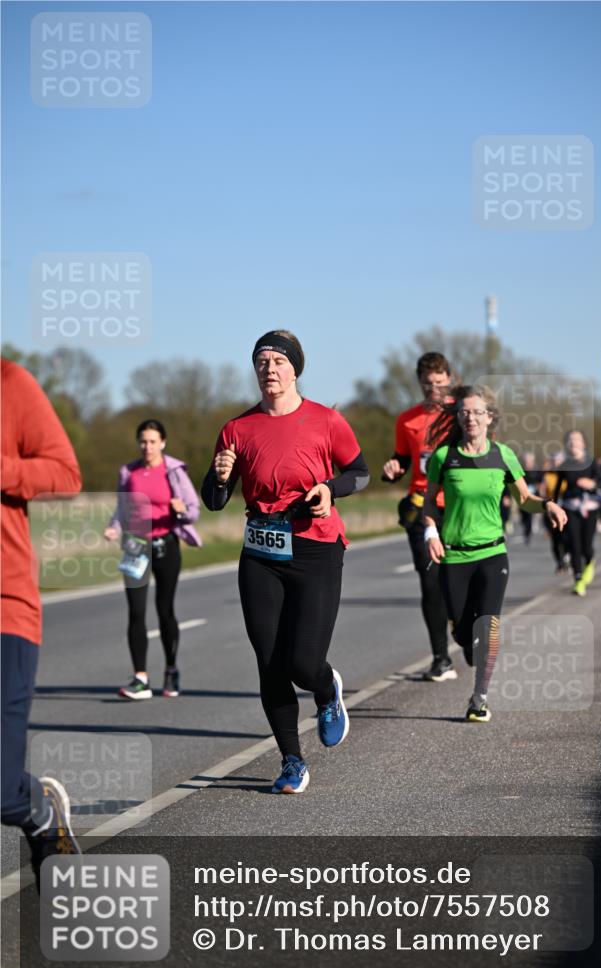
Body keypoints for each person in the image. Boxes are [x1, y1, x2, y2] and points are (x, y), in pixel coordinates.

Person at [201, 330, 369, 793]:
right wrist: (218, 477)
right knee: (270, 661)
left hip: (316, 546)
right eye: (261, 361)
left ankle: (325, 687)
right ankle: (292, 761)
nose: (269, 368)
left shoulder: (327, 421)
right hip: (261, 552)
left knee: (302, 660)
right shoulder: (237, 429)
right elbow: (214, 500)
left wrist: (328, 491)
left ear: (296, 368)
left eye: (278, 360)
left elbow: (360, 472)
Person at [424, 384, 567, 722]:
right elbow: (430, 502)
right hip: (454, 556)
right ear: (457, 418)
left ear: (489, 418)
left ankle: (479, 699)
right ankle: (466, 643)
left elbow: (523, 498)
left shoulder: (503, 455)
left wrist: (546, 505)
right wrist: (431, 531)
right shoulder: (444, 458)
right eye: (464, 412)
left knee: (488, 628)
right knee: (463, 634)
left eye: (477, 412)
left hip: (492, 554)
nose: (470, 417)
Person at [1, 358, 82, 889]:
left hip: (5, 605)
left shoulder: (10, 384)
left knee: (1, 789)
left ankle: (39, 808)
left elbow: (66, 473)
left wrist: (5, 469)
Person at [104, 420, 202, 699]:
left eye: (152, 441)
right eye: (143, 441)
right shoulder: (129, 472)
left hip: (165, 545)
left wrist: (182, 510)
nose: (147, 447)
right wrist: (115, 527)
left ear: (163, 443)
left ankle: (171, 670)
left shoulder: (173, 471)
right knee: (135, 612)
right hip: (136, 544)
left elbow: (193, 511)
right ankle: (140, 678)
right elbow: (121, 508)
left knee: (165, 610)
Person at [381, 352, 454, 682]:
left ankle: (465, 630)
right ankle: (441, 659)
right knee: (431, 583)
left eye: (439, 383)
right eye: (427, 384)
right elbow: (402, 459)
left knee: (460, 581)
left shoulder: (463, 415)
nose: (433, 390)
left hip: (459, 507)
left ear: (449, 380)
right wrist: (394, 469)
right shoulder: (407, 420)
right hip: (421, 507)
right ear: (420, 383)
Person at [553, 431, 601, 596]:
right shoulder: (564, 464)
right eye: (570, 440)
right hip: (571, 507)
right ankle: (578, 580)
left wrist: (592, 483)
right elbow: (557, 489)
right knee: (574, 544)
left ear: (583, 443)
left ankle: (589, 561)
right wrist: (552, 508)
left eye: (577, 439)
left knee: (586, 546)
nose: (573, 442)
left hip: (589, 508)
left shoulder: (591, 463)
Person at [518, 452, 544, 545]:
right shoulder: (520, 471)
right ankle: (526, 527)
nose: (528, 463)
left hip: (533, 495)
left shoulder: (537, 471)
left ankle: (528, 532)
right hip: (523, 496)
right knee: (524, 515)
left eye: (530, 461)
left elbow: (540, 483)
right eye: (527, 461)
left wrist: (540, 491)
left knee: (529, 514)